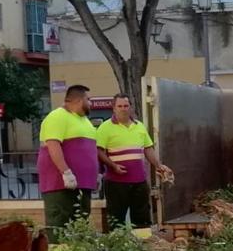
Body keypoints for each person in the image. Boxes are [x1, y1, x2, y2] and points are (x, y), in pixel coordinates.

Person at [95, 94, 170, 230]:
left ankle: (143, 246)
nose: (123, 109)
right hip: (116, 182)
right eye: (120, 106)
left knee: (142, 218)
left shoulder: (139, 126)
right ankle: (118, 248)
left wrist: (158, 165)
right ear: (114, 108)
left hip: (139, 181)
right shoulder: (105, 127)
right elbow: (98, 151)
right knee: (116, 219)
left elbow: (148, 149)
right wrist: (112, 166)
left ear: (130, 108)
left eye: (126, 106)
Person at [38, 85, 98, 231]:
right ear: (78, 100)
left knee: (80, 224)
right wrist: (66, 172)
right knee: (60, 224)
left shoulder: (85, 122)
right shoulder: (57, 116)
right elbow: (53, 145)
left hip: (83, 184)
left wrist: (96, 175)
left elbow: (90, 152)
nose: (91, 104)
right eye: (88, 100)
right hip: (61, 184)